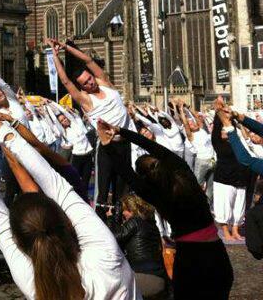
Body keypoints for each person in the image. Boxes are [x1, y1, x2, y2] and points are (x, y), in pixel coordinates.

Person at [0, 83, 138, 300]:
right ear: (61, 218)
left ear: (20, 242)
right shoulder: (104, 255)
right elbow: (52, 184)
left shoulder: (32, 281)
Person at [97, 117, 234, 299]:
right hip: (217, 255)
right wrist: (121, 131)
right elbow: (154, 147)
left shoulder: (156, 194)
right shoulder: (184, 172)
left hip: (191, 259)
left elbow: (126, 173)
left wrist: (107, 146)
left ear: (145, 179)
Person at [45, 38, 135, 217]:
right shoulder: (86, 100)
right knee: (102, 194)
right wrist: (55, 55)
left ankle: (119, 225)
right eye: (85, 83)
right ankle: (101, 223)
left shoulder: (105, 84)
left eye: (90, 79)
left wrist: (66, 47)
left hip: (125, 144)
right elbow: (65, 81)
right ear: (82, 87)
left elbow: (88, 61)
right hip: (107, 148)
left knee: (122, 191)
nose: (90, 83)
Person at [107, 194, 167, 298]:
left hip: (142, 277)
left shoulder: (135, 221)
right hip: (159, 279)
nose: (123, 214)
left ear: (131, 209)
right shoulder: (153, 225)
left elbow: (113, 237)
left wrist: (112, 217)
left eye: (124, 210)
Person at [210, 99, 250, 242]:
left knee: (239, 206)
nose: (224, 131)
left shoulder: (235, 141)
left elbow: (231, 124)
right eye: (223, 130)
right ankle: (225, 230)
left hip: (240, 177)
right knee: (225, 205)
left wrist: (227, 111)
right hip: (224, 178)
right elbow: (217, 127)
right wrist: (218, 111)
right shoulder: (218, 142)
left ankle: (235, 229)